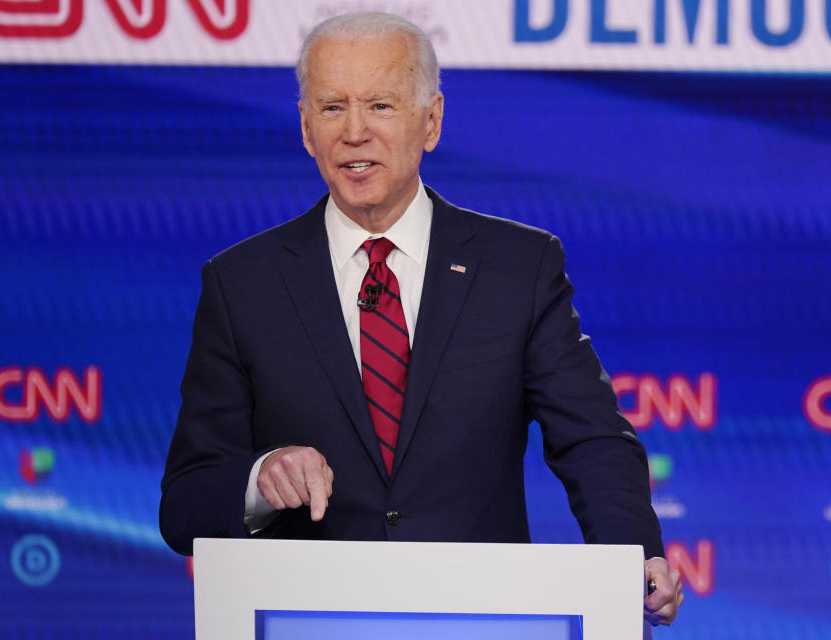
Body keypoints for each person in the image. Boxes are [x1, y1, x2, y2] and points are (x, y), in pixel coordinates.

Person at [159, 11, 683, 627]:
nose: (354, 132)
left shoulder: (517, 268)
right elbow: (186, 504)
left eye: (379, 105)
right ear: (305, 128)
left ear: (430, 121)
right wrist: (258, 478)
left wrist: (634, 552)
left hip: (483, 619)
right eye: (331, 108)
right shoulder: (241, 283)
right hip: (311, 617)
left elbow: (591, 437)